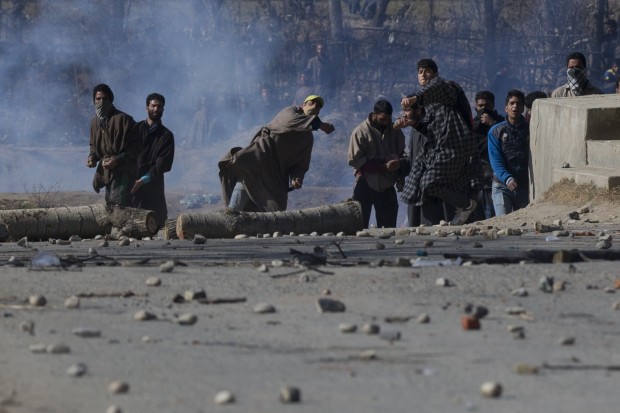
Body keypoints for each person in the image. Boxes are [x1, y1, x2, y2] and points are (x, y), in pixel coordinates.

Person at [399, 59, 481, 226]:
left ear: (435, 73)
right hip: (443, 149)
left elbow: (435, 87)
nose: (423, 75)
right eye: (420, 72)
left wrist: (416, 97)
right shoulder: (429, 106)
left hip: (457, 145)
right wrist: (414, 124)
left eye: (427, 71)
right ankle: (463, 208)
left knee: (429, 181)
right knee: (424, 182)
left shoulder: (446, 88)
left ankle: (466, 206)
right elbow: (431, 131)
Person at [219, 95, 335, 212]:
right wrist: (320, 125)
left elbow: (301, 163)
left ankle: (255, 226)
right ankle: (231, 216)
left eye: (318, 106)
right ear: (303, 105)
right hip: (260, 157)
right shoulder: (290, 111)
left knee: (275, 206)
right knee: (247, 181)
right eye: (312, 103)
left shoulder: (307, 138)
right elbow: (290, 122)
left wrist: (296, 177)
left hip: (277, 173)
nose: (314, 107)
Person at [348, 99, 405, 228]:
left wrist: (398, 164)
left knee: (388, 227)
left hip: (387, 184)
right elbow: (356, 161)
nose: (386, 123)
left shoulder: (394, 130)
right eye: (382, 119)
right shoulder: (360, 132)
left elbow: (402, 152)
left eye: (388, 120)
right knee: (360, 226)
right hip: (365, 183)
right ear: (374, 114)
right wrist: (382, 166)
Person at [396, 99, 453, 227]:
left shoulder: (436, 127)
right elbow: (413, 159)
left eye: (407, 110)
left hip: (433, 191)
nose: (404, 114)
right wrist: (399, 165)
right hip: (416, 188)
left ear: (418, 111)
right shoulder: (414, 131)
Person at [86, 83, 140, 207]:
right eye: (98, 99)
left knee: (121, 206)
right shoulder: (94, 122)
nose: (101, 102)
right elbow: (93, 146)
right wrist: (92, 157)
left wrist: (117, 159)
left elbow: (137, 147)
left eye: (104, 99)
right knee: (110, 204)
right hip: (107, 172)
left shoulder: (124, 119)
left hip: (124, 171)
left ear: (110, 99)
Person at [130, 93, 175, 229]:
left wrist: (144, 179)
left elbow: (163, 164)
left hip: (153, 185)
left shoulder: (166, 135)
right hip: (132, 184)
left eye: (159, 106)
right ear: (147, 108)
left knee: (156, 226)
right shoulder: (135, 129)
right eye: (153, 105)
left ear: (163, 109)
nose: (156, 109)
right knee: (132, 225)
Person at [488, 89, 529, 216]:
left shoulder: (531, 129)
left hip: (523, 186)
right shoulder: (496, 131)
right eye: (512, 103)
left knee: (522, 223)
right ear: (506, 108)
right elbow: (495, 160)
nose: (515, 106)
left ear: (523, 108)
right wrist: (507, 178)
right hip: (501, 186)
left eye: (518, 103)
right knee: (503, 221)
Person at [472, 91, 504, 220]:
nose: (483, 109)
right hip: (476, 178)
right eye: (480, 106)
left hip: (495, 177)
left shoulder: (501, 123)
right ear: (476, 107)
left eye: (487, 105)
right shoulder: (472, 125)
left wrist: (492, 124)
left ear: (493, 106)